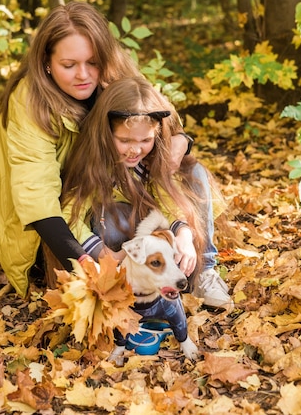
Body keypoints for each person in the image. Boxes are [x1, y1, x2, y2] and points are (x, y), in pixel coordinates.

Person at [0, 2, 193, 298]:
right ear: (46, 62)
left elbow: (159, 115)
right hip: (55, 222)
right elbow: (38, 197)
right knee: (115, 227)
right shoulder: (29, 101)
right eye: (69, 65)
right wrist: (87, 262)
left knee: (192, 172)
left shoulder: (114, 71)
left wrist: (181, 140)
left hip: (98, 187)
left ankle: (202, 269)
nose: (84, 75)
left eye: (92, 62)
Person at [61, 76, 232, 309]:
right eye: (125, 140)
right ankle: (131, 283)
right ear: (107, 133)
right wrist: (104, 254)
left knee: (196, 173)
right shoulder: (95, 164)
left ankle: (204, 271)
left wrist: (183, 233)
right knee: (113, 217)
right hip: (119, 235)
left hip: (151, 226)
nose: (135, 149)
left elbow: (168, 199)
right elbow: (69, 214)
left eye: (145, 140)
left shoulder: (152, 158)